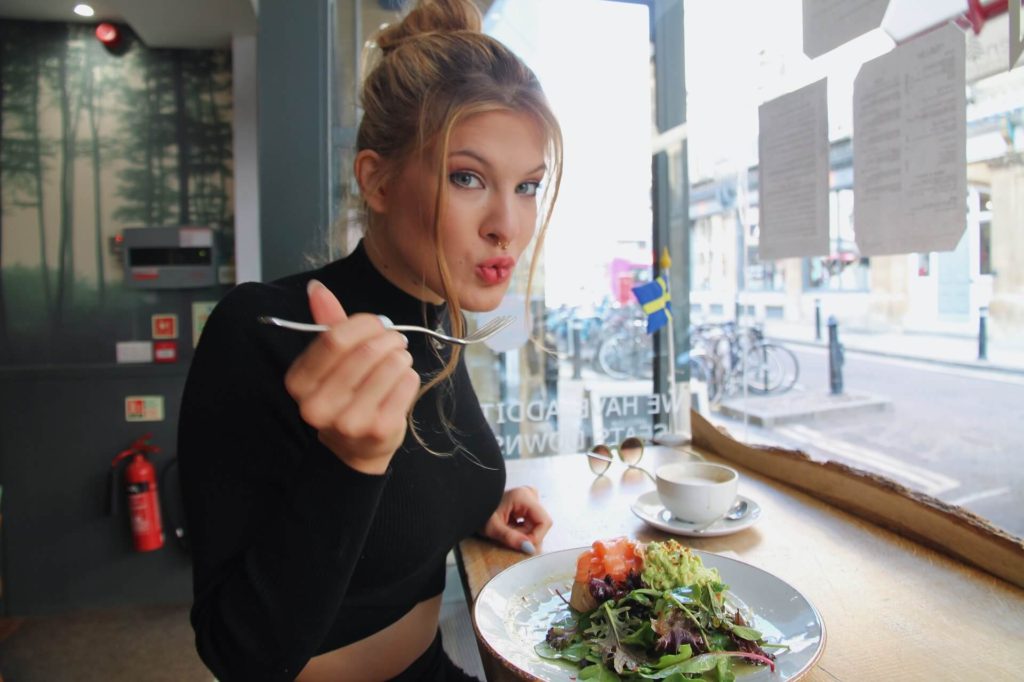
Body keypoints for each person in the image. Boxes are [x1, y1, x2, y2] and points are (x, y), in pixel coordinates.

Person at [177, 0, 562, 679]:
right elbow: (236, 653)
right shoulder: (262, 330)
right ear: (376, 180)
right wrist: (349, 461)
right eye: (467, 178)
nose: (508, 224)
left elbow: (397, 507)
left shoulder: (438, 317)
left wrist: (476, 507)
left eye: (527, 185)